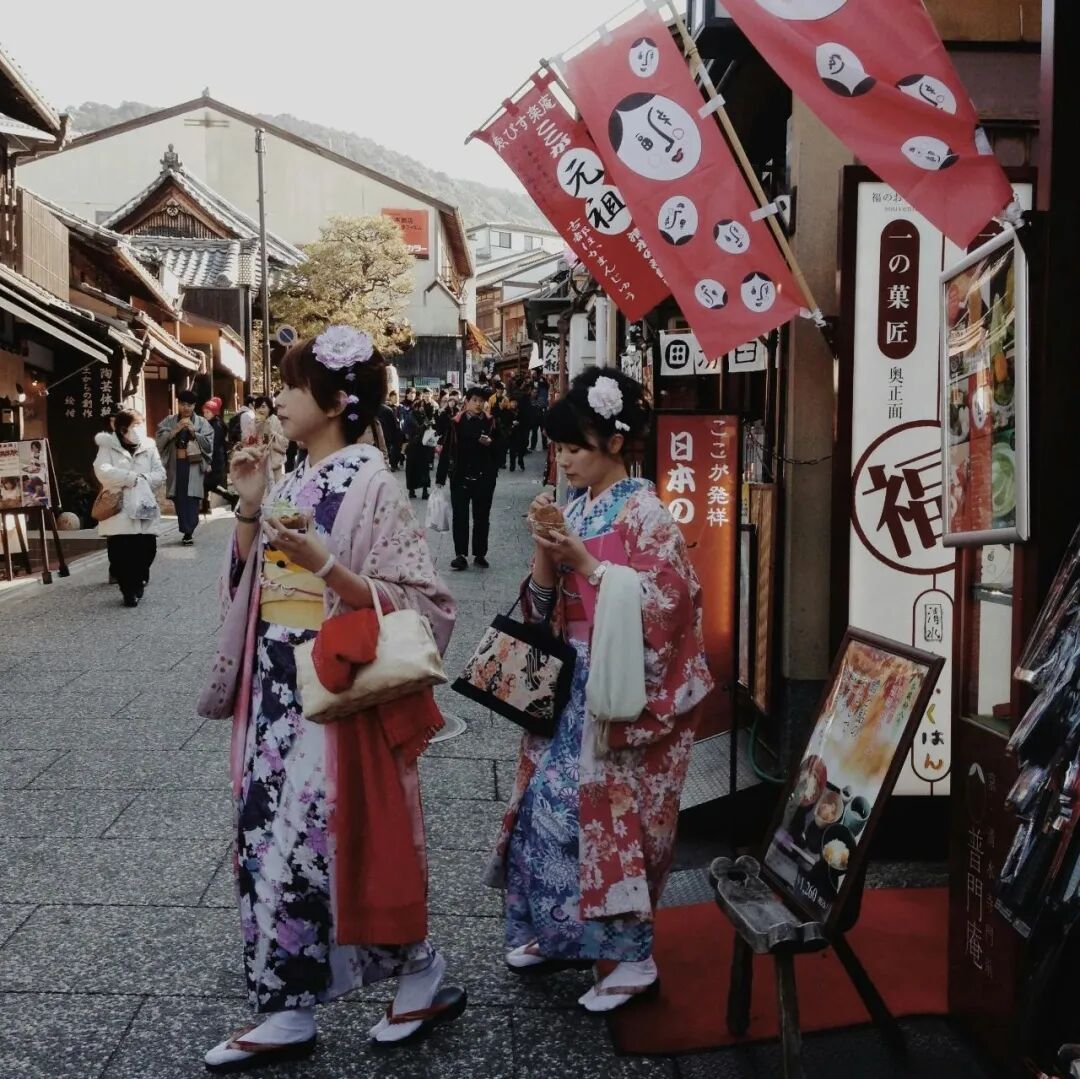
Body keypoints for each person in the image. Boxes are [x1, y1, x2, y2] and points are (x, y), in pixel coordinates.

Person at [202, 325, 464, 1072]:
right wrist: (251, 508)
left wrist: (330, 568)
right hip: (274, 685)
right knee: (267, 835)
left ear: (338, 399)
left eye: (289, 384)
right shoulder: (286, 478)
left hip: (333, 685)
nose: (277, 397)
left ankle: (416, 970)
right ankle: (285, 1004)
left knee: (338, 841)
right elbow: (248, 591)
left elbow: (426, 605)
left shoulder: (372, 481)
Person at [487, 368, 714, 1012]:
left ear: (615, 443)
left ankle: (633, 958)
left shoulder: (647, 513)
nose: (563, 461)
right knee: (545, 811)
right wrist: (544, 551)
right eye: (558, 449)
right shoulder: (579, 507)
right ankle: (562, 936)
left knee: (612, 823)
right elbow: (539, 609)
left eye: (575, 449)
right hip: (574, 683)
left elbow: (671, 606)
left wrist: (587, 564)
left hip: (623, 688)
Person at [93, 409, 166, 607]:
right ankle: (128, 590)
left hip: (143, 504)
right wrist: (127, 478)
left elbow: (160, 474)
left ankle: (139, 578)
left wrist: (142, 479)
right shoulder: (107, 446)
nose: (140, 429)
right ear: (123, 429)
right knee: (120, 553)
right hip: (119, 507)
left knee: (148, 548)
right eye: (136, 425)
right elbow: (102, 471)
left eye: (141, 425)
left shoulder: (149, 446)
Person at [435, 386, 497, 571]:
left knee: (482, 517)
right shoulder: (455, 422)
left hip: (484, 476)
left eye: (481, 401)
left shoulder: (491, 422)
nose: (479, 404)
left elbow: (502, 447)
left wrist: (491, 444)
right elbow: (446, 449)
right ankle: (460, 555)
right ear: (467, 401)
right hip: (460, 475)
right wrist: (440, 478)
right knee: (460, 516)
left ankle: (480, 554)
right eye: (475, 400)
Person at [156, 389, 213, 546]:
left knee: (192, 498)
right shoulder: (169, 421)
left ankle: (189, 530)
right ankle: (186, 530)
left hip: (193, 464)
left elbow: (209, 445)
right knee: (179, 497)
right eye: (182, 404)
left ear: (194, 406)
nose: (186, 408)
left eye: (189, 405)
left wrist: (195, 433)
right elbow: (159, 442)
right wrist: (174, 430)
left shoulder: (202, 423)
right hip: (176, 464)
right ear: (178, 404)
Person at [201, 398, 229, 510]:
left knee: (208, 483)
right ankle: (205, 506)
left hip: (215, 459)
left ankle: (230, 498)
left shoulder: (216, 425)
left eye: (208, 412)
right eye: (204, 412)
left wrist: (208, 462)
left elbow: (214, 444)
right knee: (207, 483)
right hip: (214, 458)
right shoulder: (212, 423)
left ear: (214, 412)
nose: (205, 414)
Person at [403, 400, 434, 500]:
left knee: (424, 469)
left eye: (423, 406)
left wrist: (429, 424)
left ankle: (425, 491)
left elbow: (428, 426)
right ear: (416, 407)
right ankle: (411, 491)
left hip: (423, 446)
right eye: (420, 406)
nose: (422, 408)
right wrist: (425, 425)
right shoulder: (410, 417)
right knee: (412, 469)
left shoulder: (423, 415)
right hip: (413, 446)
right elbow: (415, 430)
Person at [253, 396, 288, 484]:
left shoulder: (277, 421)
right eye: (258, 407)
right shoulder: (253, 423)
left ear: (269, 407)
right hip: (259, 466)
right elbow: (248, 442)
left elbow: (285, 443)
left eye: (263, 406)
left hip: (275, 466)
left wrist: (272, 432)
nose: (260, 409)